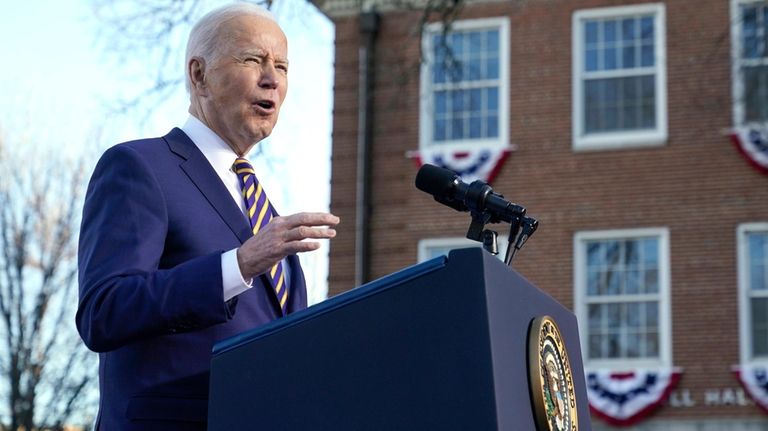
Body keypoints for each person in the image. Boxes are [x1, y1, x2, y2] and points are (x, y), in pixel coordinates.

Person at [76, 3, 339, 430]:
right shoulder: (140, 167)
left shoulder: (263, 212)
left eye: (282, 66)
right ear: (199, 74)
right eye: (253, 60)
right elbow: (104, 311)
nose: (272, 78)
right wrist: (237, 265)